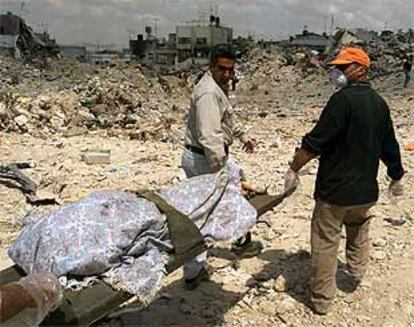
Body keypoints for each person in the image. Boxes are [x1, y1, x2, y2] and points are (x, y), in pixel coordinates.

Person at [283, 47, 405, 315]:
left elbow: (316, 140)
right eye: (338, 66)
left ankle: (322, 300)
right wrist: (396, 175)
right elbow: (389, 145)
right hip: (364, 192)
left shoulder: (341, 101)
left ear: (361, 69)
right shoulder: (380, 103)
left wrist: (294, 168)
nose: (337, 71)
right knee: (359, 228)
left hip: (334, 192)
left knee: (326, 242)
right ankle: (356, 272)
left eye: (345, 66)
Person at [181, 44, 260, 289]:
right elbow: (210, 136)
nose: (227, 74)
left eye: (231, 70)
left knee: (239, 181)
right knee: (202, 215)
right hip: (205, 159)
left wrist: (243, 137)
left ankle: (241, 238)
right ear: (212, 66)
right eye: (222, 69)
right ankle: (193, 272)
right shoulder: (207, 93)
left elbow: (226, 120)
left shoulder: (219, 88)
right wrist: (221, 172)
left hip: (212, 155)